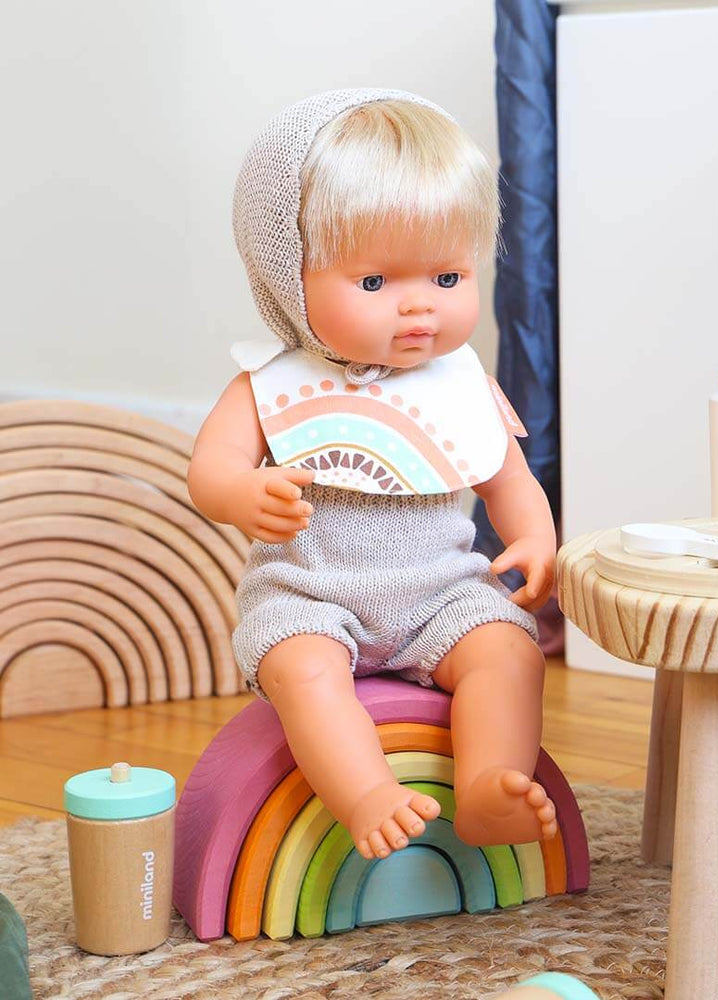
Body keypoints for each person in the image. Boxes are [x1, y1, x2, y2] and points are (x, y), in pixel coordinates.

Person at [188, 89, 558, 862]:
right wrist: (244, 494)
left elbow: (507, 478)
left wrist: (534, 539)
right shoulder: (270, 383)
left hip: (441, 595)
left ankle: (489, 785)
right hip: (311, 597)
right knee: (304, 671)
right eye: (375, 283)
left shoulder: (458, 383)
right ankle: (365, 795)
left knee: (509, 651)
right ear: (290, 275)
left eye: (448, 279)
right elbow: (211, 472)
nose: (419, 309)